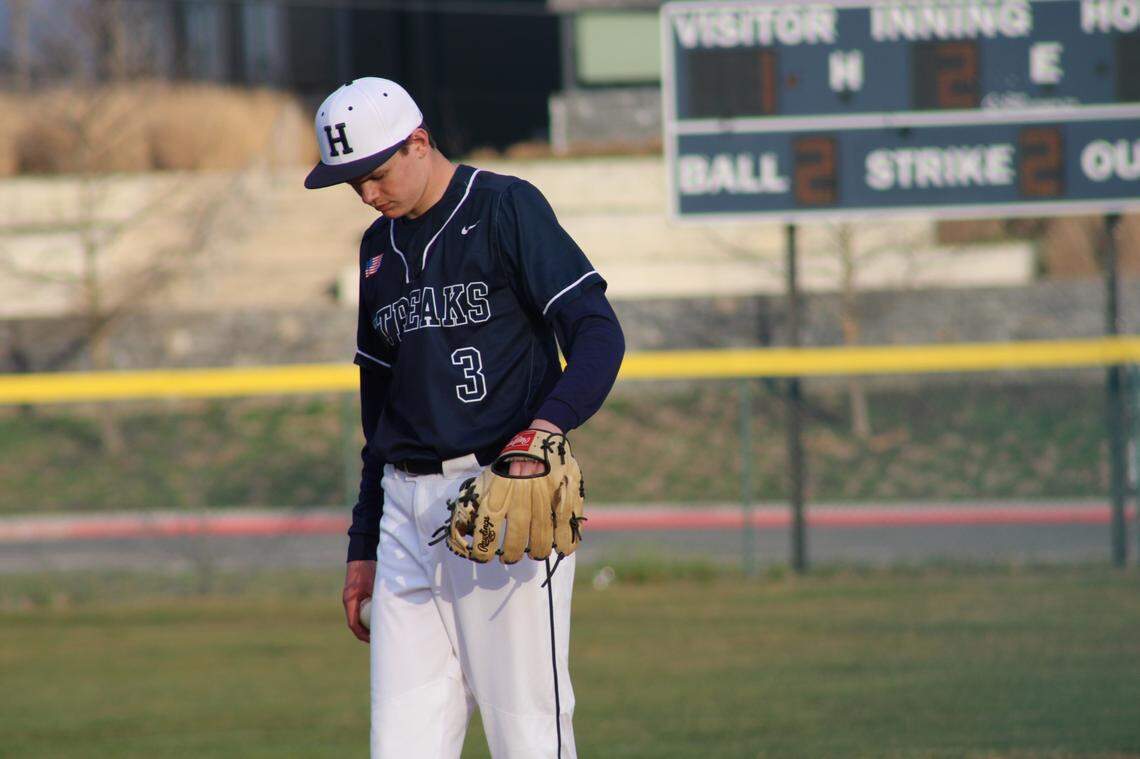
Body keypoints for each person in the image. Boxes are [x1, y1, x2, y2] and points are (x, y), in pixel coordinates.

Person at [303, 77, 625, 759]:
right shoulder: (376, 250)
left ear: (418, 142)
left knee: (526, 735)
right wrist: (363, 542)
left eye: (374, 173)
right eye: (349, 181)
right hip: (402, 512)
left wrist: (543, 431)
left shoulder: (507, 207)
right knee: (401, 744)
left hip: (500, 495)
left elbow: (598, 332)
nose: (365, 193)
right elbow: (379, 413)